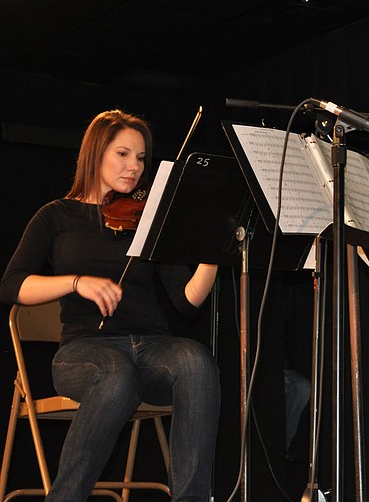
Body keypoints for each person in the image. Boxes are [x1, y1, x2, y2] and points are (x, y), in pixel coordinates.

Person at [0, 109, 221, 501]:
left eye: (140, 159)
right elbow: (12, 285)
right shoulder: (56, 216)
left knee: (195, 359)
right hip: (84, 350)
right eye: (123, 154)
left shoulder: (148, 220)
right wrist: (76, 282)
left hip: (152, 349)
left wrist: (212, 253)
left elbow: (186, 302)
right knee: (115, 374)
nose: (134, 167)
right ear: (96, 153)